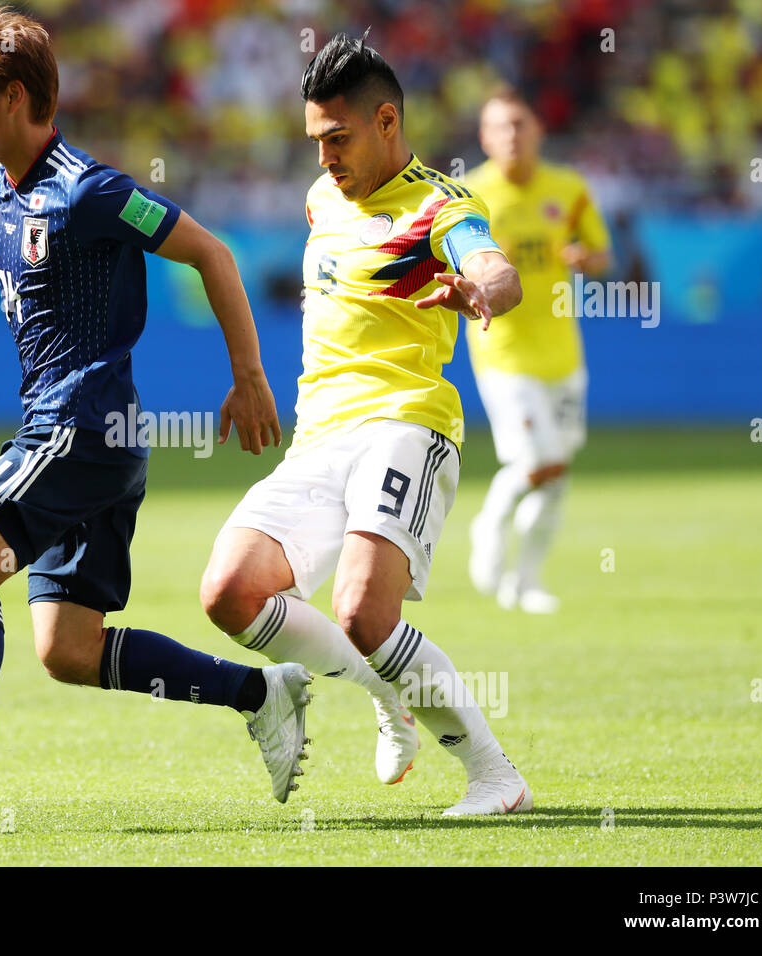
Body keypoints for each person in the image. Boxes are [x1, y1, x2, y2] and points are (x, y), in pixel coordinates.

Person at [0, 4, 308, 823]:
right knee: (68, 650)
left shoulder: (92, 191)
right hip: (88, 437)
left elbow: (210, 251)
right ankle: (259, 691)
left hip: (82, 421)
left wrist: (248, 376)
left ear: (12, 96)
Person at [200, 32, 534, 816]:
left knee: (361, 611)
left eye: (338, 139)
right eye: (315, 141)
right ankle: (390, 697)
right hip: (319, 437)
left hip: (405, 423)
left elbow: (492, 264)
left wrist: (486, 287)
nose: (324, 158)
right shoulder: (324, 199)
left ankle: (496, 776)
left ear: (389, 122)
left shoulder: (440, 205)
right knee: (230, 593)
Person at [463, 87, 612, 614]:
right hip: (504, 353)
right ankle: (489, 526)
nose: (511, 136)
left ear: (539, 131)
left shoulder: (568, 189)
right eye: (499, 127)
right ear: (484, 137)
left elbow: (601, 253)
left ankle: (524, 582)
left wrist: (585, 257)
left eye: (520, 125)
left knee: (557, 472)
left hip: (563, 357)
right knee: (539, 458)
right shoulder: (469, 195)